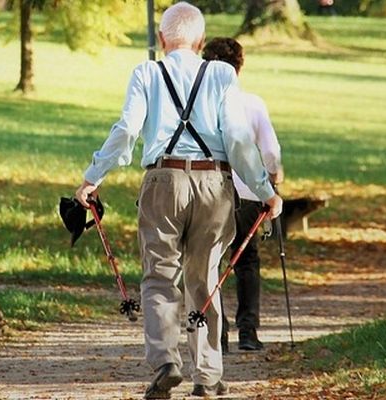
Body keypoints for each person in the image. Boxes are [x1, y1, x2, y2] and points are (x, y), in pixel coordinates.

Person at [73, 2, 282, 398]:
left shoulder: (147, 72)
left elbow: (127, 130)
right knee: (205, 279)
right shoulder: (221, 75)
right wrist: (266, 191)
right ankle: (207, 374)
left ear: (162, 38)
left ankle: (166, 361)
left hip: (162, 180)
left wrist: (92, 178)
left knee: (159, 275)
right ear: (201, 41)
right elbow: (238, 141)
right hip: (214, 184)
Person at [202, 37, 283, 353]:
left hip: (211, 189)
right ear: (240, 66)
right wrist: (273, 179)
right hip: (249, 192)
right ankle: (248, 332)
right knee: (247, 260)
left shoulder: (202, 105)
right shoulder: (252, 103)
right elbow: (271, 151)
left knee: (211, 260)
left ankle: (216, 334)